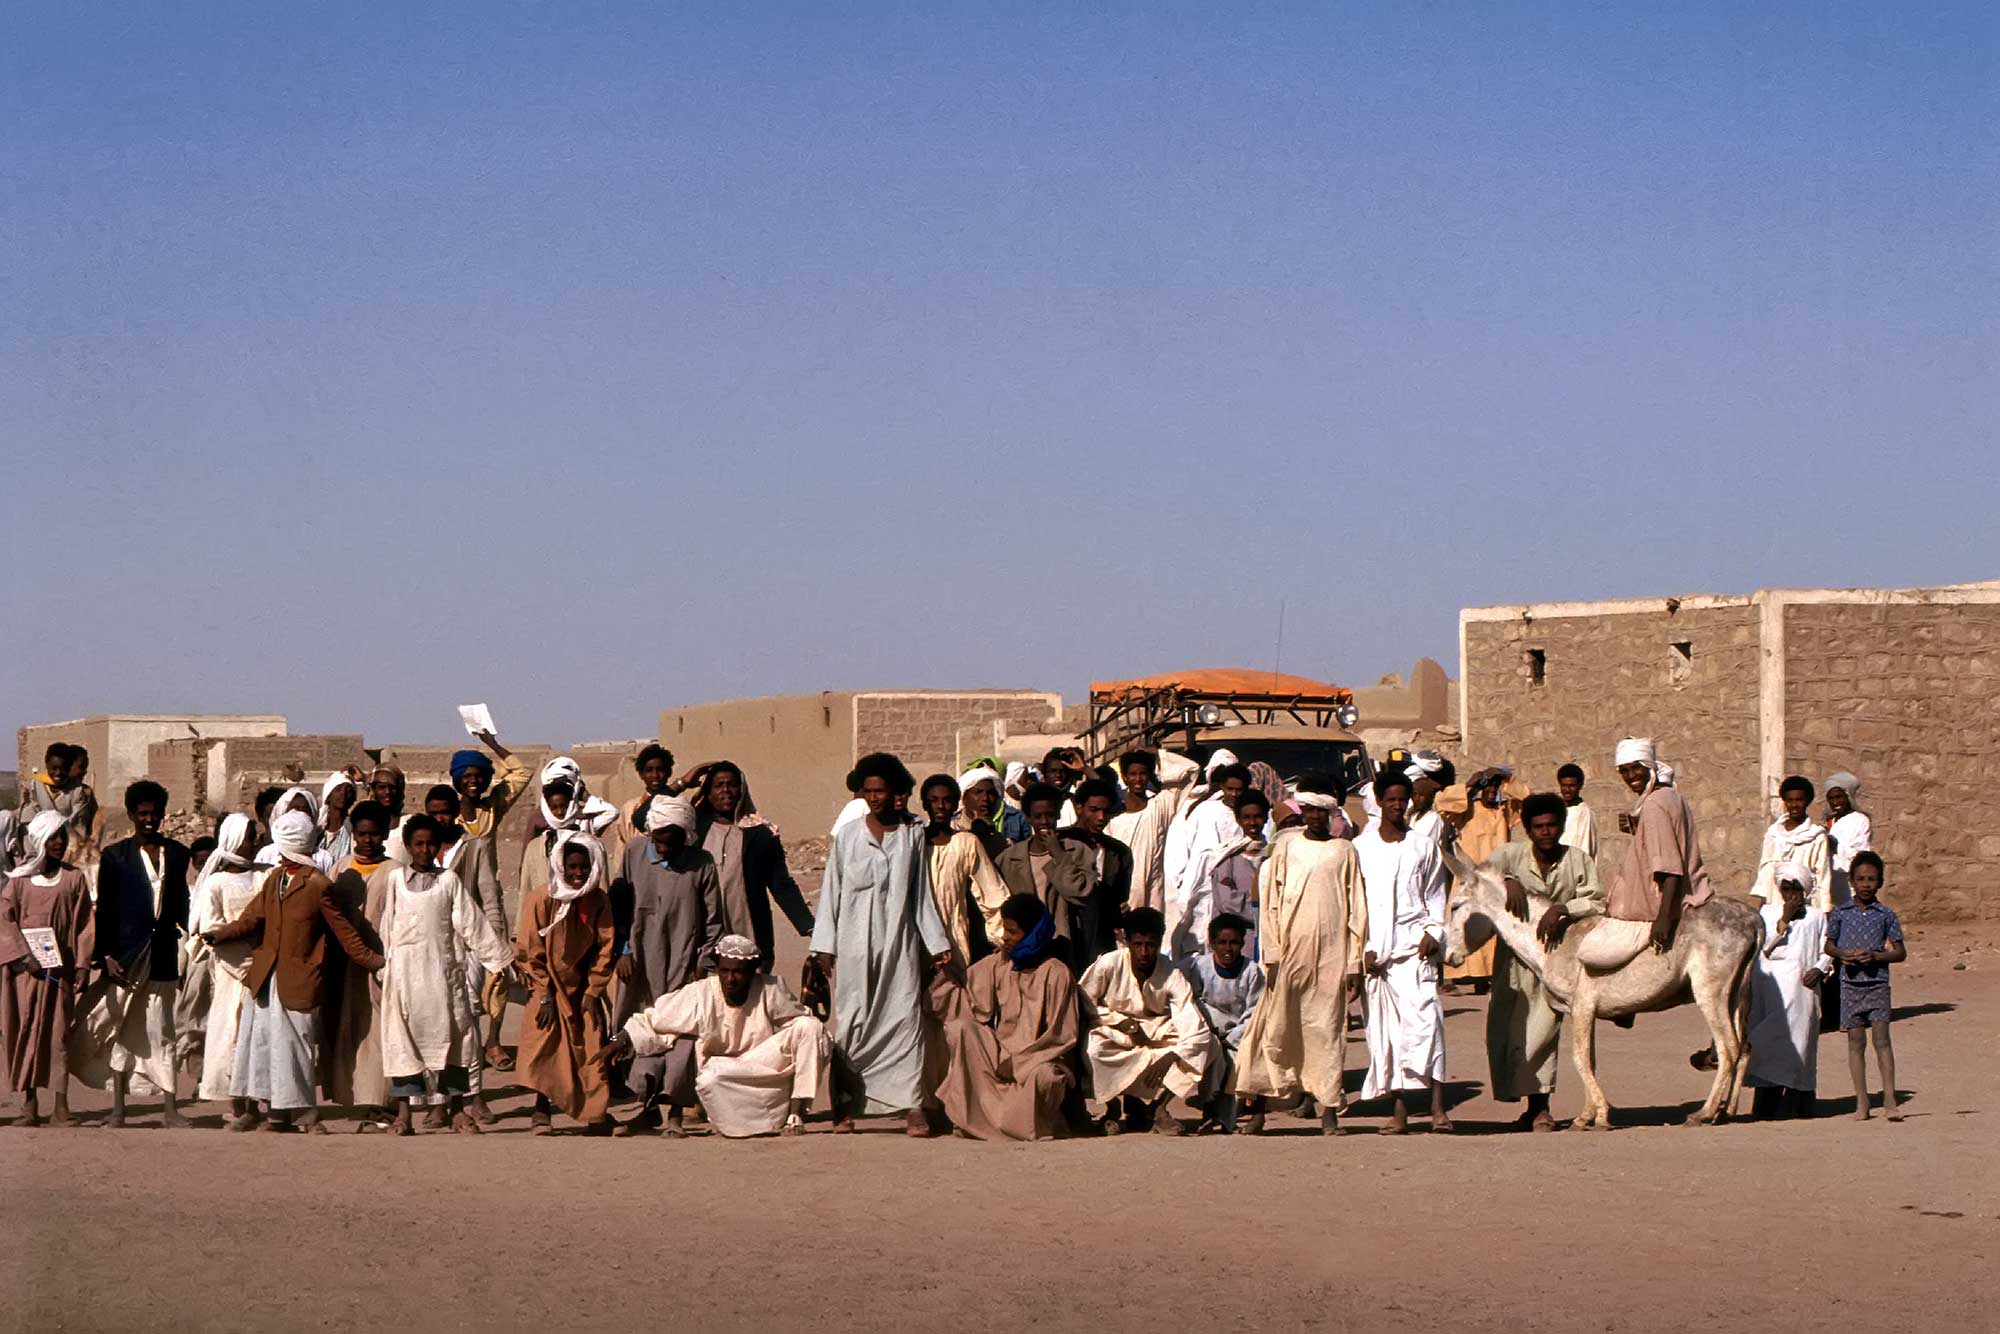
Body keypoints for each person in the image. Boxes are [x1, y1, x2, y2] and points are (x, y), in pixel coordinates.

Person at [202, 811, 385, 1132]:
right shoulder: (274, 880)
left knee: (294, 1047)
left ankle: (304, 1112)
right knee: (261, 1045)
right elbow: (252, 919)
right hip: (265, 977)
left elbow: (345, 935)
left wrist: (376, 962)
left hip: (299, 977)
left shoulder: (318, 886)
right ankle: (273, 1114)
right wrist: (221, 934)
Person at [809, 753, 954, 1135]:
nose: (875, 798)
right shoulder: (849, 836)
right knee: (852, 1023)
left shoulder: (912, 836)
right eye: (868, 791)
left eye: (881, 791)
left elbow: (921, 895)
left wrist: (936, 943)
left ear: (895, 794)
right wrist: (823, 946)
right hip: (854, 943)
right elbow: (832, 892)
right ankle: (845, 1104)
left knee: (904, 1018)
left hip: (899, 941)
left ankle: (911, 1106)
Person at [1233, 779, 1366, 1135]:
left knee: (1327, 1031)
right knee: (1275, 1030)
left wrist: (1354, 964)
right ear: (1302, 812)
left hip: (1332, 957)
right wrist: (1272, 955)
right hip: (1289, 955)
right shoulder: (1287, 847)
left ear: (1330, 813)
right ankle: (1260, 1110)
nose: (1315, 817)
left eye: (1321, 811)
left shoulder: (1344, 851)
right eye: (1308, 811)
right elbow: (1271, 904)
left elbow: (1357, 910)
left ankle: (1328, 1112)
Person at [603, 933, 830, 1137]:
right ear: (717, 969)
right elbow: (654, 1018)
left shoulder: (770, 989)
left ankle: (795, 1113)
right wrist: (618, 1040)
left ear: (752, 972)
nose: (730, 979)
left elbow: (803, 1025)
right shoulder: (701, 993)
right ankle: (752, 1120)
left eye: (738, 972)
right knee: (709, 1078)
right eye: (725, 971)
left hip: (761, 1064)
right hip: (723, 1074)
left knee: (810, 1027)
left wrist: (813, 1044)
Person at [376, 814, 518, 1136]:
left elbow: (471, 924)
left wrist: (499, 960)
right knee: (403, 1043)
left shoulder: (448, 882)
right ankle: (404, 1116)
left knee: (456, 1041)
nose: (425, 850)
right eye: (419, 844)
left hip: (443, 977)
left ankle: (457, 1111)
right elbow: (388, 928)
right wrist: (385, 971)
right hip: (405, 978)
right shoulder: (396, 880)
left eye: (431, 844)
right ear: (409, 847)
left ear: (439, 847)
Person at [74, 780, 192, 1128]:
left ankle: (170, 1109)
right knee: (123, 1031)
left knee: (163, 1029)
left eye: (155, 814)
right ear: (131, 815)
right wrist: (106, 954)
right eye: (143, 814)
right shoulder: (115, 857)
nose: (150, 820)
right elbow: (106, 910)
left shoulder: (177, 853)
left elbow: (181, 905)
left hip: (164, 955)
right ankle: (118, 1109)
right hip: (126, 957)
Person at [1484, 792, 1603, 1131]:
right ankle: (1526, 1105)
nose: (1546, 832)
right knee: (1509, 1030)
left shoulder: (1577, 860)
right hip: (1513, 959)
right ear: (1528, 829)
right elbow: (1479, 879)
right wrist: (1507, 882)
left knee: (1544, 1030)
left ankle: (1541, 1107)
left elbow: (1596, 899)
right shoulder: (1509, 855)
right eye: (1539, 827)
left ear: (1561, 827)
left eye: (1552, 825)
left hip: (1556, 957)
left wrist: (1564, 908)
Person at [609, 795, 723, 1137]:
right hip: (639, 962)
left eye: (671, 842)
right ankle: (644, 1109)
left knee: (681, 1037)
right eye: (659, 841)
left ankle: (675, 1110)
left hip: (684, 961)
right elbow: (620, 906)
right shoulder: (633, 853)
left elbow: (713, 922)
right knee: (640, 1031)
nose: (664, 848)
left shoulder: (701, 863)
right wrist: (624, 951)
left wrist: (703, 966)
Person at [928, 892, 1080, 1141]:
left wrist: (1021, 1062)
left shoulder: (1056, 973)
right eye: (1005, 930)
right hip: (1001, 1054)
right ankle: (972, 1119)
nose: (1005, 938)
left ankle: (1039, 1122)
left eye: (1012, 932)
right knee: (963, 1030)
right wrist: (943, 973)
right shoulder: (1000, 963)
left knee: (1047, 1078)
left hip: (1038, 1059)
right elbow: (965, 994)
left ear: (1033, 933)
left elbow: (1062, 1035)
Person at [1353, 769, 1450, 1134]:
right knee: (1388, 1035)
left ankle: (1439, 1109)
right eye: (1390, 799)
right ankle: (1400, 1112)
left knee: (1429, 1024)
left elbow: (1436, 896)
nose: (1397, 806)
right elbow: (1356, 905)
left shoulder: (1422, 846)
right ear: (1378, 800)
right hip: (1377, 956)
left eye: (1402, 799)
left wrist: (1433, 931)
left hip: (1415, 950)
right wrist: (1362, 948)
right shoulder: (1361, 849)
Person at [1077, 906, 1213, 1136]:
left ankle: (1159, 1109)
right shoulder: (1109, 963)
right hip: (1112, 1030)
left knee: (1207, 1048)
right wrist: (1121, 1022)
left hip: (1154, 1031)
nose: (1144, 952)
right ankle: (1111, 1109)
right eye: (1138, 945)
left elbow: (1189, 1017)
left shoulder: (1170, 971)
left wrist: (1172, 1055)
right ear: (1126, 942)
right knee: (1094, 1050)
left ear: (1159, 943)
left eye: (1150, 945)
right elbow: (1083, 1001)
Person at [1581, 737, 1714, 971]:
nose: (1631, 776)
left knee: (1589, 956)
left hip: (1654, 911)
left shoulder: (1654, 804)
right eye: (1624, 771)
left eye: (1636, 768)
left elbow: (1670, 867)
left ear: (1650, 767)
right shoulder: (1672, 797)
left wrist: (1662, 918)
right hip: (1679, 900)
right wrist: (1639, 828)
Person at [517, 830, 619, 1134]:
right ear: (561, 867)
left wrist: (593, 990)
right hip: (546, 985)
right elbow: (528, 949)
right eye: (571, 867)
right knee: (545, 1045)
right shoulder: (542, 898)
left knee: (589, 1044)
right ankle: (541, 1111)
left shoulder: (597, 900)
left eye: (583, 868)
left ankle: (595, 1113)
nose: (577, 874)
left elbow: (605, 946)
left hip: (581, 986)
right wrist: (545, 992)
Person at [1, 811, 91, 1126]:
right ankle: (29, 1105)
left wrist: (81, 965)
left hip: (59, 973)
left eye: (62, 836)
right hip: (25, 975)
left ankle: (61, 1106)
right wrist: (25, 957)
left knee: (59, 1036)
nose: (58, 842)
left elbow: (84, 926)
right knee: (24, 1032)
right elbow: (5, 923)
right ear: (38, 840)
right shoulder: (19, 883)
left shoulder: (74, 879)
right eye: (52, 837)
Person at [688, 761, 813, 972]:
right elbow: (645, 819)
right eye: (718, 785)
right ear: (708, 793)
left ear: (742, 790)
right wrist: (683, 781)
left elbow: (781, 884)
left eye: (732, 784)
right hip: (702, 938)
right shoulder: (692, 830)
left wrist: (809, 925)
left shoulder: (760, 834)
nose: (726, 791)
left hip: (749, 932)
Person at [321, 801, 394, 1126]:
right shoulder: (341, 869)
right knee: (349, 1027)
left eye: (373, 834)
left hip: (380, 962)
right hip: (345, 965)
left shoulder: (394, 872)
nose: (367, 840)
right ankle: (353, 1096)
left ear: (384, 834)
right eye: (361, 834)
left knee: (379, 1031)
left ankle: (378, 1101)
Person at [183, 814, 262, 1111]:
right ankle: (236, 1105)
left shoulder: (263, 876)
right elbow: (210, 929)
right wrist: (246, 966)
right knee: (230, 1034)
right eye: (248, 837)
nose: (254, 843)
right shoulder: (215, 883)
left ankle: (256, 1104)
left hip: (263, 968)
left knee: (256, 1037)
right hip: (231, 972)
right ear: (233, 841)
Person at [1743, 861, 1831, 1119]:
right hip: (1772, 990)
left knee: (1799, 1046)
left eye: (1796, 888)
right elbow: (1761, 948)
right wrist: (1784, 920)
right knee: (1768, 1044)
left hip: (1803, 991)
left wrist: (1820, 968)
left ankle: (1796, 1103)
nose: (1791, 893)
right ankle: (1764, 1106)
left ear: (1804, 890)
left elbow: (1827, 949)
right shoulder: (1768, 914)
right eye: (1786, 887)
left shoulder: (1815, 917)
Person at [1824, 852, 1904, 1121]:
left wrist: (1877, 956)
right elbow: (1829, 945)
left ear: (1880, 882)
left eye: (1872, 879)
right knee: (1855, 1043)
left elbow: (1900, 952)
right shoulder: (1840, 913)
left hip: (1878, 985)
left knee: (1882, 1041)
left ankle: (1890, 1099)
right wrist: (1843, 954)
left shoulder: (1886, 915)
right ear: (1851, 881)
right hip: (1850, 986)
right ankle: (1862, 1101)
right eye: (1861, 879)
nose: (1866, 884)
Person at [996, 782, 1098, 971]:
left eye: (1049, 815)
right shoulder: (1009, 859)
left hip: (1063, 944)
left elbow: (1080, 893)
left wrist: (1058, 855)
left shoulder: (1077, 852)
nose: (1044, 821)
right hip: (1023, 948)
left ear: (1058, 814)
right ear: (1027, 818)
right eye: (1038, 816)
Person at [1182, 912, 1263, 1133]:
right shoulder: (1199, 966)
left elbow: (1254, 1010)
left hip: (1239, 1035)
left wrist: (1233, 1036)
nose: (1228, 949)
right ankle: (1209, 1108)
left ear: (1242, 943)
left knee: (1239, 1061)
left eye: (1234, 943)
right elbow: (1191, 999)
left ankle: (1241, 1113)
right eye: (1222, 943)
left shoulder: (1252, 971)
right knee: (1211, 1057)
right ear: (1212, 943)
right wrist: (1214, 1029)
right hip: (1209, 1030)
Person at [1165, 761, 1255, 961]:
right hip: (1201, 883)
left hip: (1231, 886)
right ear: (1222, 787)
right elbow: (1182, 844)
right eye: (1229, 789)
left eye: (1238, 790)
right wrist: (1181, 880)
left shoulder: (1248, 815)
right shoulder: (1204, 810)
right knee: (1196, 933)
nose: (1234, 794)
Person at [920, 774, 1007, 967]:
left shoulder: (966, 843)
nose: (940, 806)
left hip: (955, 938)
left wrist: (1002, 936)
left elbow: (992, 894)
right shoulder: (913, 843)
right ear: (925, 805)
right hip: (916, 941)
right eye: (934, 801)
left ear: (955, 804)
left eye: (947, 800)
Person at [1060, 777, 1135, 960]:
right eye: (1094, 810)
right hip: (1063, 935)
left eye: (1106, 811)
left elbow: (1120, 900)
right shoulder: (1059, 843)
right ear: (1079, 808)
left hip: (1100, 940)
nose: (1101, 818)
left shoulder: (1119, 852)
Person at [1752, 777, 1833, 911]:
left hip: (1804, 903)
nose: (1794, 805)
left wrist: (1824, 910)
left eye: (1799, 800)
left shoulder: (1817, 836)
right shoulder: (1773, 833)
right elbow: (1765, 870)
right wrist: (1763, 901)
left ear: (1807, 801)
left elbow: (1823, 875)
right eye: (1790, 800)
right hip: (1775, 901)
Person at [1207, 791, 1269, 959]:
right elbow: (1228, 903)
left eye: (1257, 817)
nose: (1252, 823)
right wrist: (1262, 909)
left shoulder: (1274, 856)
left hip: (1269, 938)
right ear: (1238, 820)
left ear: (1266, 818)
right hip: (1236, 943)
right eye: (1246, 817)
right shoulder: (1227, 858)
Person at [450, 729, 531, 843]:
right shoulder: (449, 814)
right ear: (458, 779)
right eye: (467, 776)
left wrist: (493, 744)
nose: (473, 780)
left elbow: (523, 774)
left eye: (478, 776)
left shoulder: (492, 810)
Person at [1823, 770, 1870, 908]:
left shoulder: (1860, 820)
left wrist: (1836, 846)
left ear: (1848, 796)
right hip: (1828, 883)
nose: (1835, 802)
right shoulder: (1830, 822)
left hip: (1847, 885)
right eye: (1831, 799)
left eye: (1839, 797)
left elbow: (1861, 855)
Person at [613, 743, 677, 845]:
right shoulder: (629, 809)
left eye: (660, 770)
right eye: (649, 770)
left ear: (668, 772)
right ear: (641, 774)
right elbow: (622, 848)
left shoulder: (678, 806)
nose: (655, 775)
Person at [1556, 763, 1598, 861]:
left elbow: (1585, 850)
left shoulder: (1584, 813)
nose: (1567, 790)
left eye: (1572, 786)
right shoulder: (1557, 811)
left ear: (1580, 786)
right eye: (1564, 785)